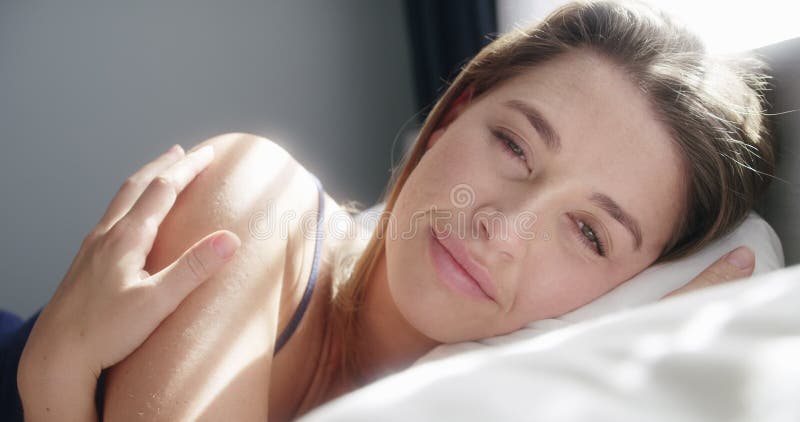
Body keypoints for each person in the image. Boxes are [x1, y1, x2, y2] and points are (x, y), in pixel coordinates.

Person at [4, 0, 774, 420]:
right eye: (512, 145)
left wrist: (61, 386)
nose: (502, 229)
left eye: (587, 231)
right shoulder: (259, 199)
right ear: (449, 118)